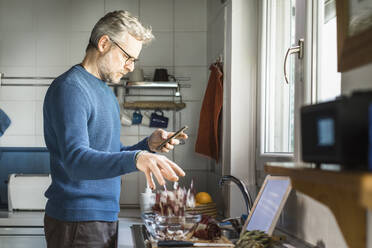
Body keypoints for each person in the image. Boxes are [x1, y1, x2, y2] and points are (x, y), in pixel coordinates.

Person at [42, 10, 187, 248]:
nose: (130, 67)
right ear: (104, 43)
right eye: (127, 57)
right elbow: (76, 161)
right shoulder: (70, 88)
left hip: (101, 216)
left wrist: (146, 146)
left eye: (134, 61)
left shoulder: (104, 92)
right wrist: (137, 158)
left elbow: (108, 152)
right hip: (78, 219)